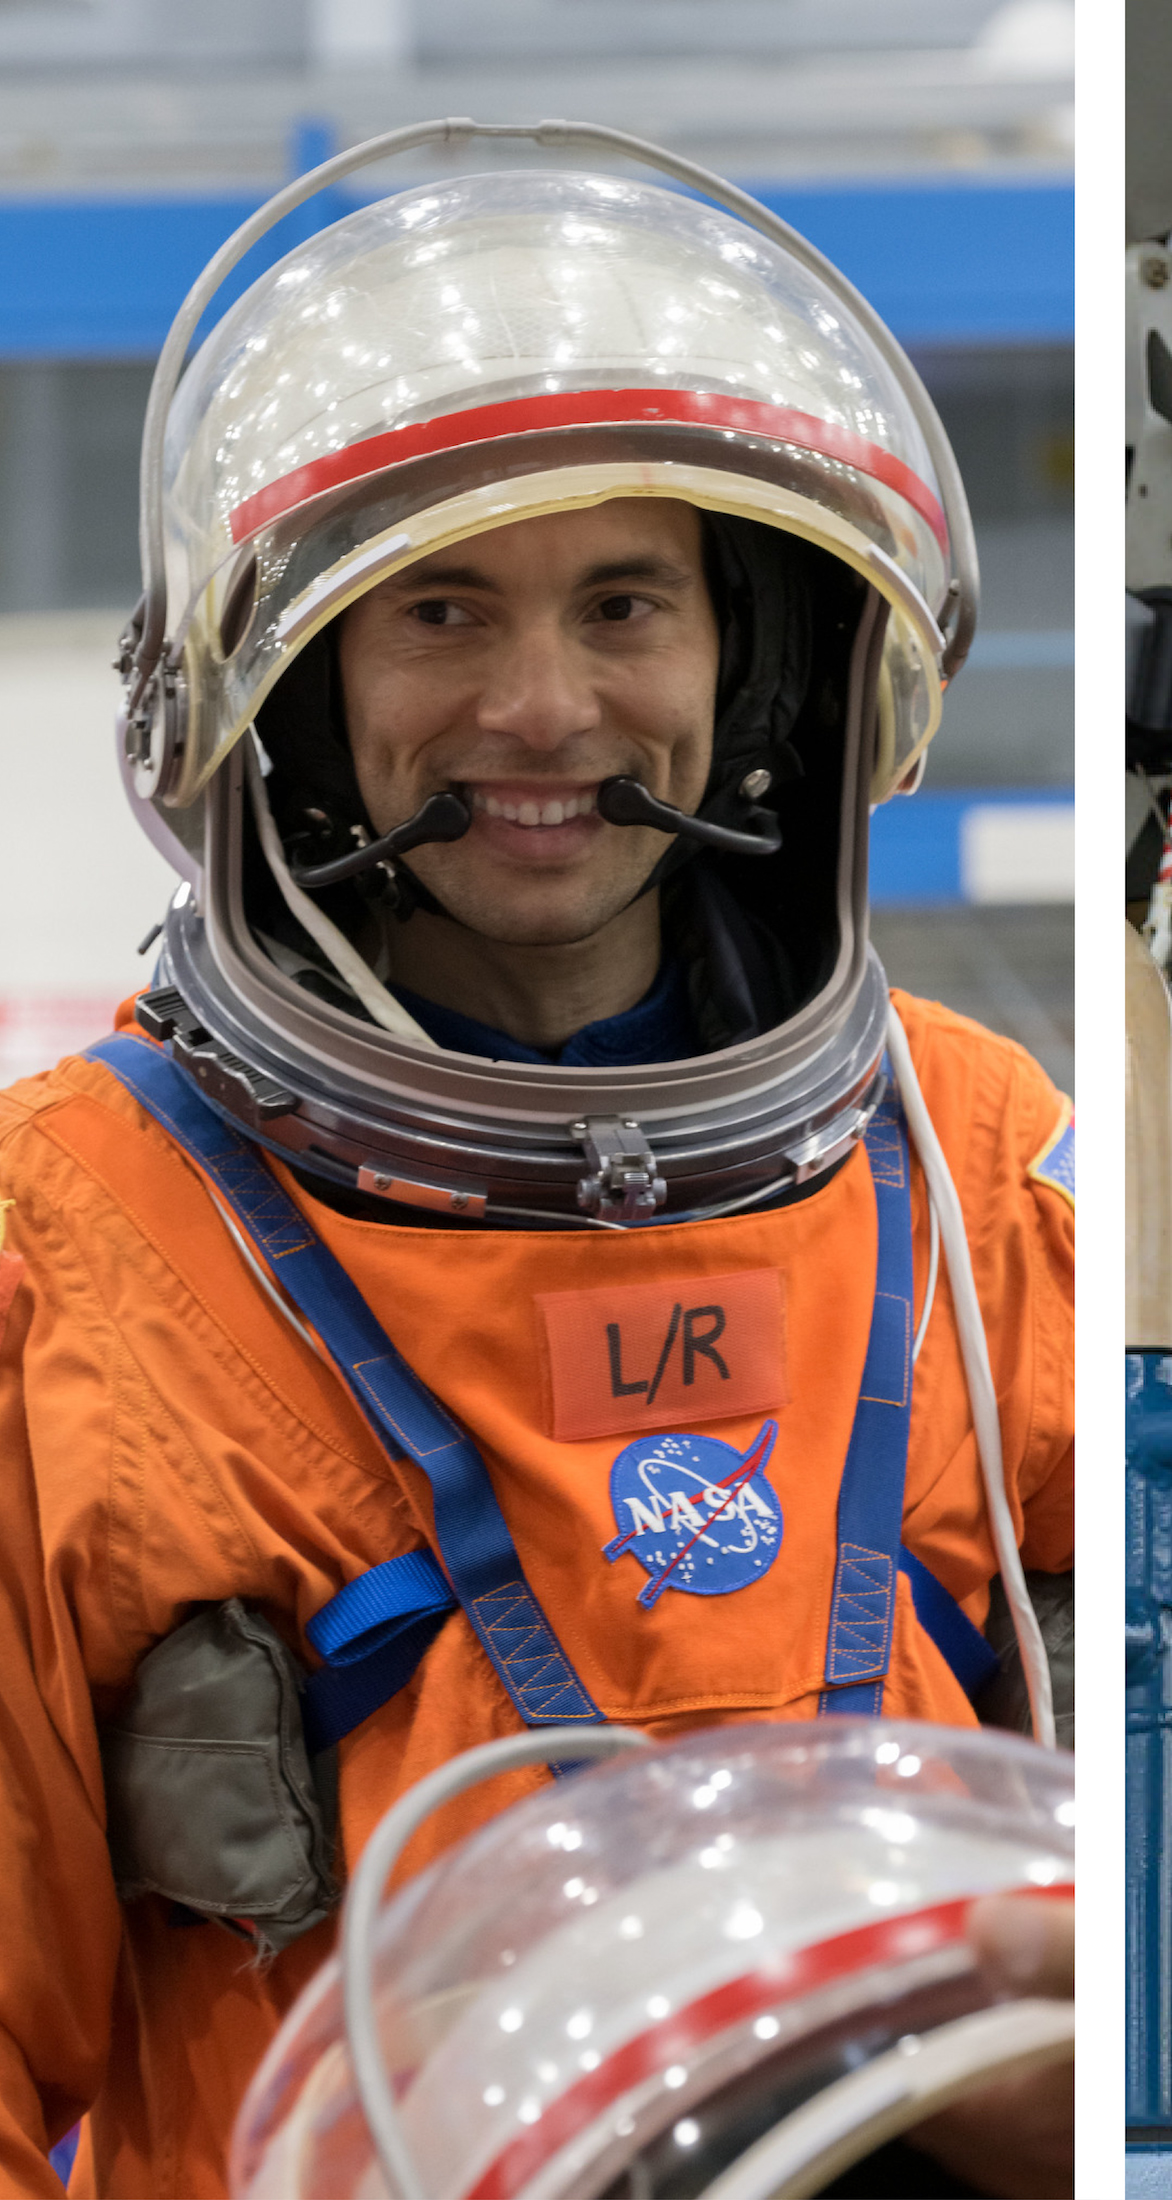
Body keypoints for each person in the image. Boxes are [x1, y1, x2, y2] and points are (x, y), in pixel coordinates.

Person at [0, 150, 1074, 2193]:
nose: (545, 705)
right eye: (440, 604)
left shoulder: (979, 1170)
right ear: (286, 683)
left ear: (749, 658)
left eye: (623, 601)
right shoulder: (67, 1248)